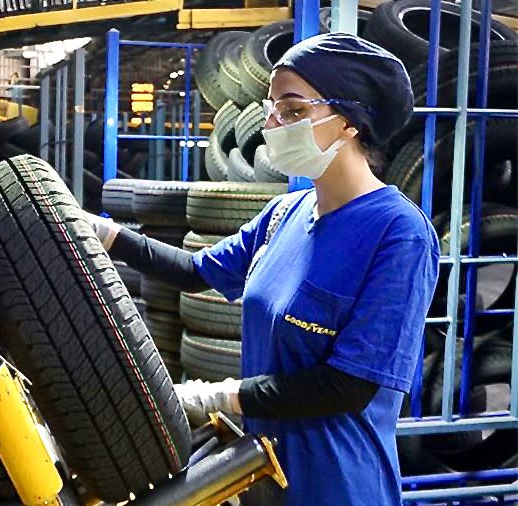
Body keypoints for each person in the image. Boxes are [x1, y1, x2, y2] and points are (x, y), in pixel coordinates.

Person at [87, 33, 440, 506]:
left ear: (350, 123)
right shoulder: (286, 214)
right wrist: (100, 232)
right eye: (272, 108)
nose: (272, 124)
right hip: (260, 473)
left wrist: (217, 395)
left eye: (292, 110)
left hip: (335, 483)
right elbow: (196, 272)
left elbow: (348, 385)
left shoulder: (399, 234)